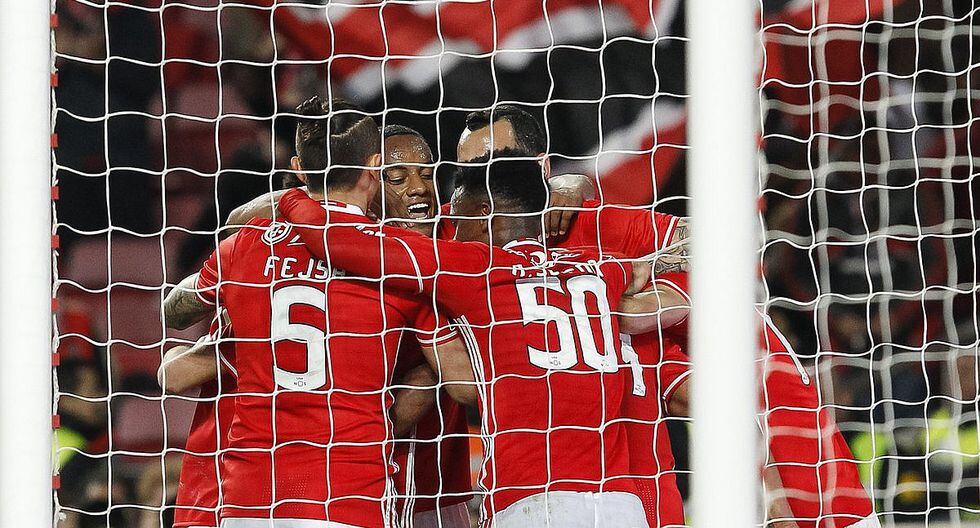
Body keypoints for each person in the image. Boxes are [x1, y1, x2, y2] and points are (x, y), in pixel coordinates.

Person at [277, 153, 673, 527]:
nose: (452, 228)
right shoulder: (602, 269)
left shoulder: (476, 269)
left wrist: (294, 197)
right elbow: (648, 277)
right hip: (621, 505)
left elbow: (342, 243)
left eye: (458, 215)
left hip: (534, 502)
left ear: (483, 215)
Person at [168, 96, 473, 527]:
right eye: (397, 175)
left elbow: (173, 316)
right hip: (346, 492)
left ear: (299, 168)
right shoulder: (399, 260)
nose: (418, 187)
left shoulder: (247, 246)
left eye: (426, 174)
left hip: (249, 498)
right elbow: (465, 385)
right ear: (374, 168)